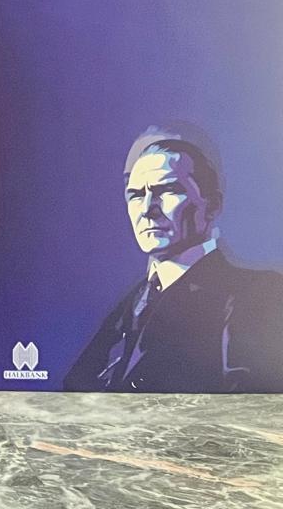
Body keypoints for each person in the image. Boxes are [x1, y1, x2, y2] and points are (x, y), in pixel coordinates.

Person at [64, 127, 283, 392]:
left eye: (167, 190)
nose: (147, 209)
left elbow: (247, 404)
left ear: (212, 205)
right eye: (136, 195)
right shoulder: (130, 304)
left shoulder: (256, 294)